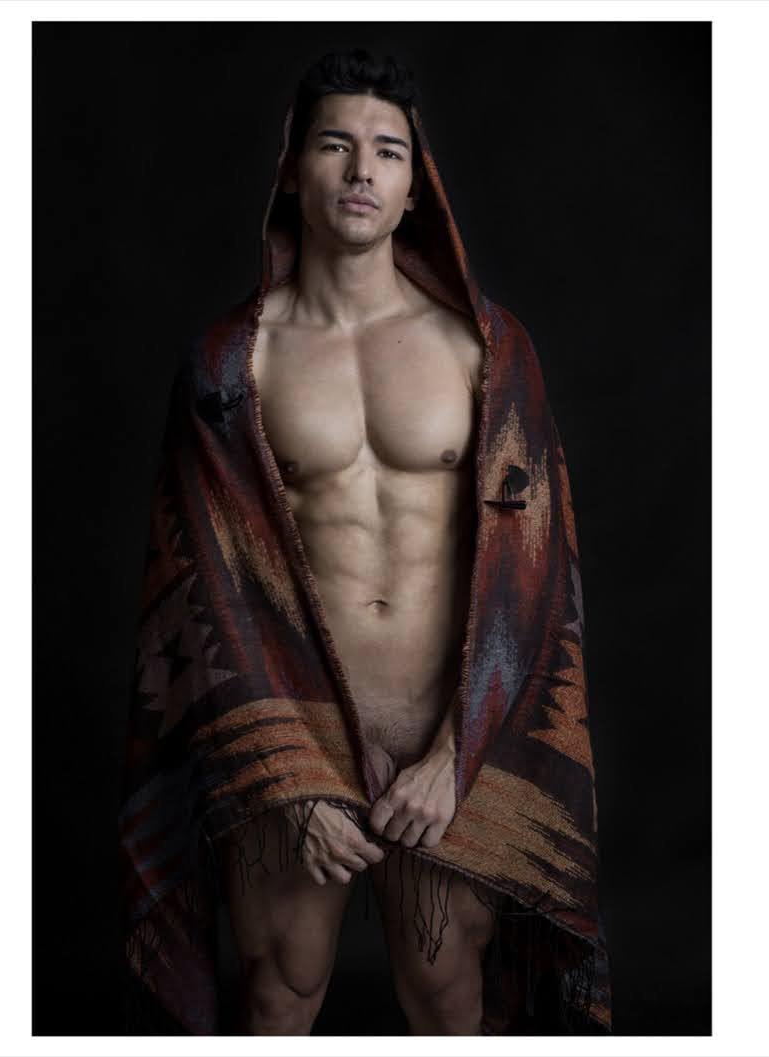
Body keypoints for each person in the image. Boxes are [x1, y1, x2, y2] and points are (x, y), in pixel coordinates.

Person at [120, 47, 612, 1038]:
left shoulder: (486, 351)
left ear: (414, 183)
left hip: (447, 736)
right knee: (280, 988)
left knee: (445, 989)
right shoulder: (231, 362)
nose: (361, 170)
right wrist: (285, 772)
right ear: (291, 169)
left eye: (388, 150)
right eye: (335, 145)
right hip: (288, 729)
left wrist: (455, 755)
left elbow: (533, 574)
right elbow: (204, 584)